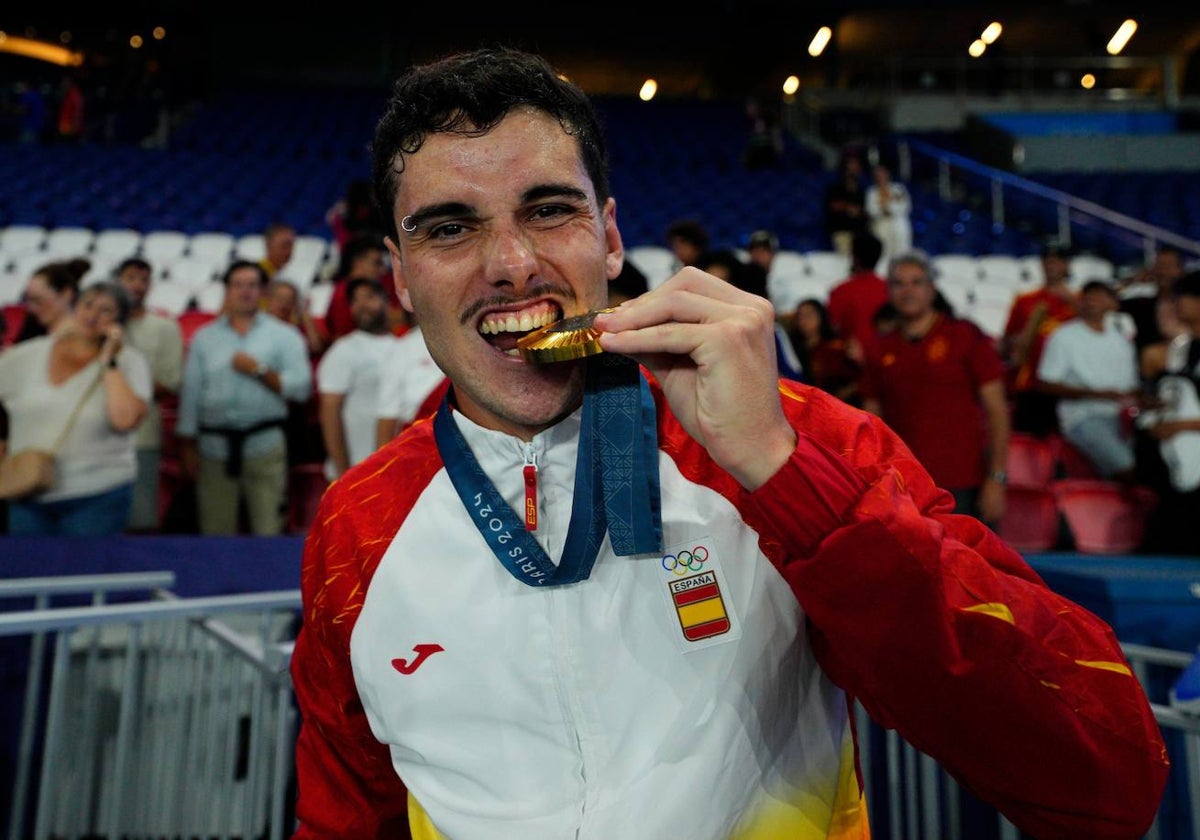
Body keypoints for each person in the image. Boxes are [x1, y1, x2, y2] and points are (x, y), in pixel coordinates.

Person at [290, 47, 1167, 840]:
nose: (511, 262)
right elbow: (342, 821)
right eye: (450, 227)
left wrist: (788, 479)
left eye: (549, 210)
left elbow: (1106, 777)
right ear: (399, 277)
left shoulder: (793, 440)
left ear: (611, 235)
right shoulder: (358, 524)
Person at [860, 251, 1011, 529]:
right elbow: (872, 418)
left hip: (964, 484)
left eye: (916, 282)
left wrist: (997, 478)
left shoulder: (965, 336)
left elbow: (997, 411)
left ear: (932, 289)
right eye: (898, 283)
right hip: (901, 486)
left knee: (967, 571)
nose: (908, 291)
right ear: (889, 291)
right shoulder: (878, 348)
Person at [0, 282, 151, 535]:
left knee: (87, 572)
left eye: (106, 311)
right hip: (27, 490)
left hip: (98, 494)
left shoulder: (130, 362)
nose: (92, 316)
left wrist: (109, 360)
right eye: (87, 305)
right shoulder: (26, 355)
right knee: (30, 571)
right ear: (74, 308)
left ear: (119, 322)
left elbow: (124, 419)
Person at [175, 260, 312, 535]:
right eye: (237, 285)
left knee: (268, 530)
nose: (245, 291)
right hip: (213, 448)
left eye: (252, 285)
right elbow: (190, 395)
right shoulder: (205, 338)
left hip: (265, 446)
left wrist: (259, 370)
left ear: (263, 292)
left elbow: (302, 387)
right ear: (226, 291)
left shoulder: (285, 336)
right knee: (215, 532)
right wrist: (187, 446)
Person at [1035, 280, 1143, 482]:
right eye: (1088, 295)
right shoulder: (1064, 335)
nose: (1092, 300)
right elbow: (1046, 384)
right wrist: (1096, 394)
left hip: (1123, 414)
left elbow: (1131, 385)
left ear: (1113, 303)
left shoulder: (1119, 338)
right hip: (1083, 417)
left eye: (1100, 295)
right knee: (1125, 465)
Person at [115, 257, 185, 531]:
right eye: (130, 277)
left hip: (143, 434)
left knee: (141, 517)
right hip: (97, 435)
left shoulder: (165, 328)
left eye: (143, 279)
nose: (136, 285)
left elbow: (170, 384)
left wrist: (121, 379)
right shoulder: (99, 327)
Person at [1139, 271, 1200, 556]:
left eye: (1182, 298)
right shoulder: (1180, 349)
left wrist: (1180, 426)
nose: (1176, 305)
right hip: (1181, 457)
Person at [315, 278, 398, 481]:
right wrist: (343, 473)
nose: (361, 305)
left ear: (386, 301)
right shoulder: (344, 350)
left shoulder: (404, 346)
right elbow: (329, 413)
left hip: (397, 468)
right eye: (355, 301)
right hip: (356, 469)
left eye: (369, 297)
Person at [1000, 240, 1078, 437]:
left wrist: (1072, 301)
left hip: (1070, 384)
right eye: (1047, 259)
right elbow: (1006, 341)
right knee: (1030, 444)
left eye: (1058, 260)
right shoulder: (1025, 300)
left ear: (1067, 265)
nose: (1052, 264)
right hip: (1031, 383)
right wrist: (1020, 339)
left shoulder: (1082, 301)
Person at [785, 297, 862, 406]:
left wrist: (839, 397)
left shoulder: (835, 348)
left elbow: (856, 380)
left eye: (809, 315)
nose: (804, 320)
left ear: (821, 316)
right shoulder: (791, 349)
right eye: (800, 316)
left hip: (836, 405)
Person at [826, 230, 888, 362]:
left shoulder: (840, 291)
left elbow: (832, 330)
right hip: (886, 359)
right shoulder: (890, 289)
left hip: (850, 362)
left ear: (854, 256)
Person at [15, 258, 88, 343]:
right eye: (27, 300)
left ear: (66, 294)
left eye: (39, 301)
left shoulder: (82, 339)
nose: (31, 308)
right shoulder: (30, 333)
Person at [864, 162, 913, 269]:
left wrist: (888, 207)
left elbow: (905, 206)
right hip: (881, 226)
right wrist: (883, 209)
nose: (880, 176)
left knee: (901, 253)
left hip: (898, 225)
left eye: (882, 172)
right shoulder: (872, 192)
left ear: (888, 173)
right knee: (883, 254)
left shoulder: (898, 189)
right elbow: (872, 210)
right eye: (877, 173)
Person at [822, 151, 868, 258]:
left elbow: (867, 210)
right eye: (851, 165)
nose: (853, 168)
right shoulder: (835, 188)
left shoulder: (863, 190)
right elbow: (831, 206)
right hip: (841, 231)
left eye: (856, 165)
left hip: (859, 232)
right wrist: (848, 208)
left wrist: (860, 211)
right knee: (845, 260)